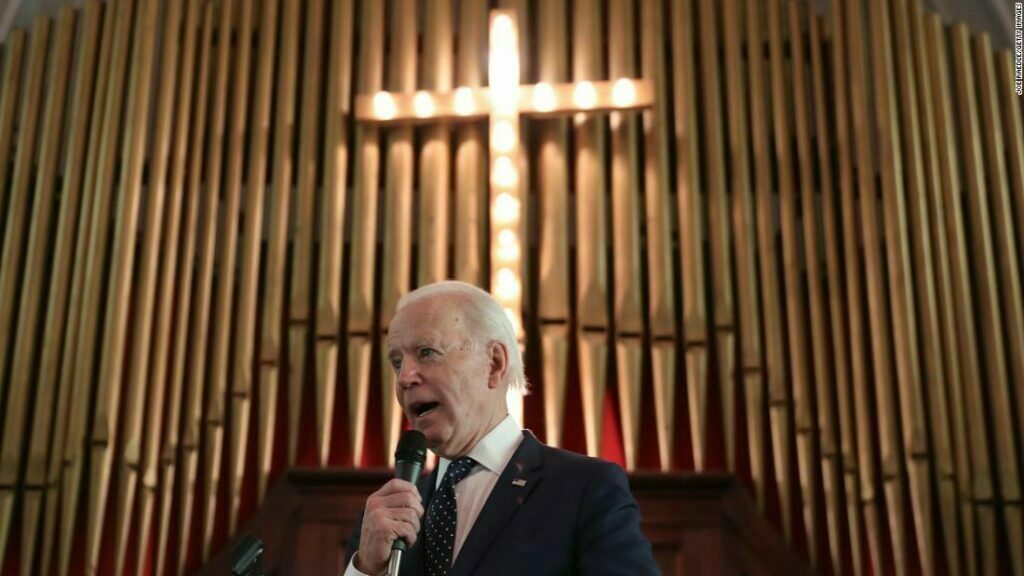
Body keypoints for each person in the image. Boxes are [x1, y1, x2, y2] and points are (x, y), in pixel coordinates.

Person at [343, 281, 660, 576]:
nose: (404, 378)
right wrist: (367, 569)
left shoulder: (585, 489)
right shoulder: (384, 515)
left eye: (427, 352)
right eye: (397, 362)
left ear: (494, 364)